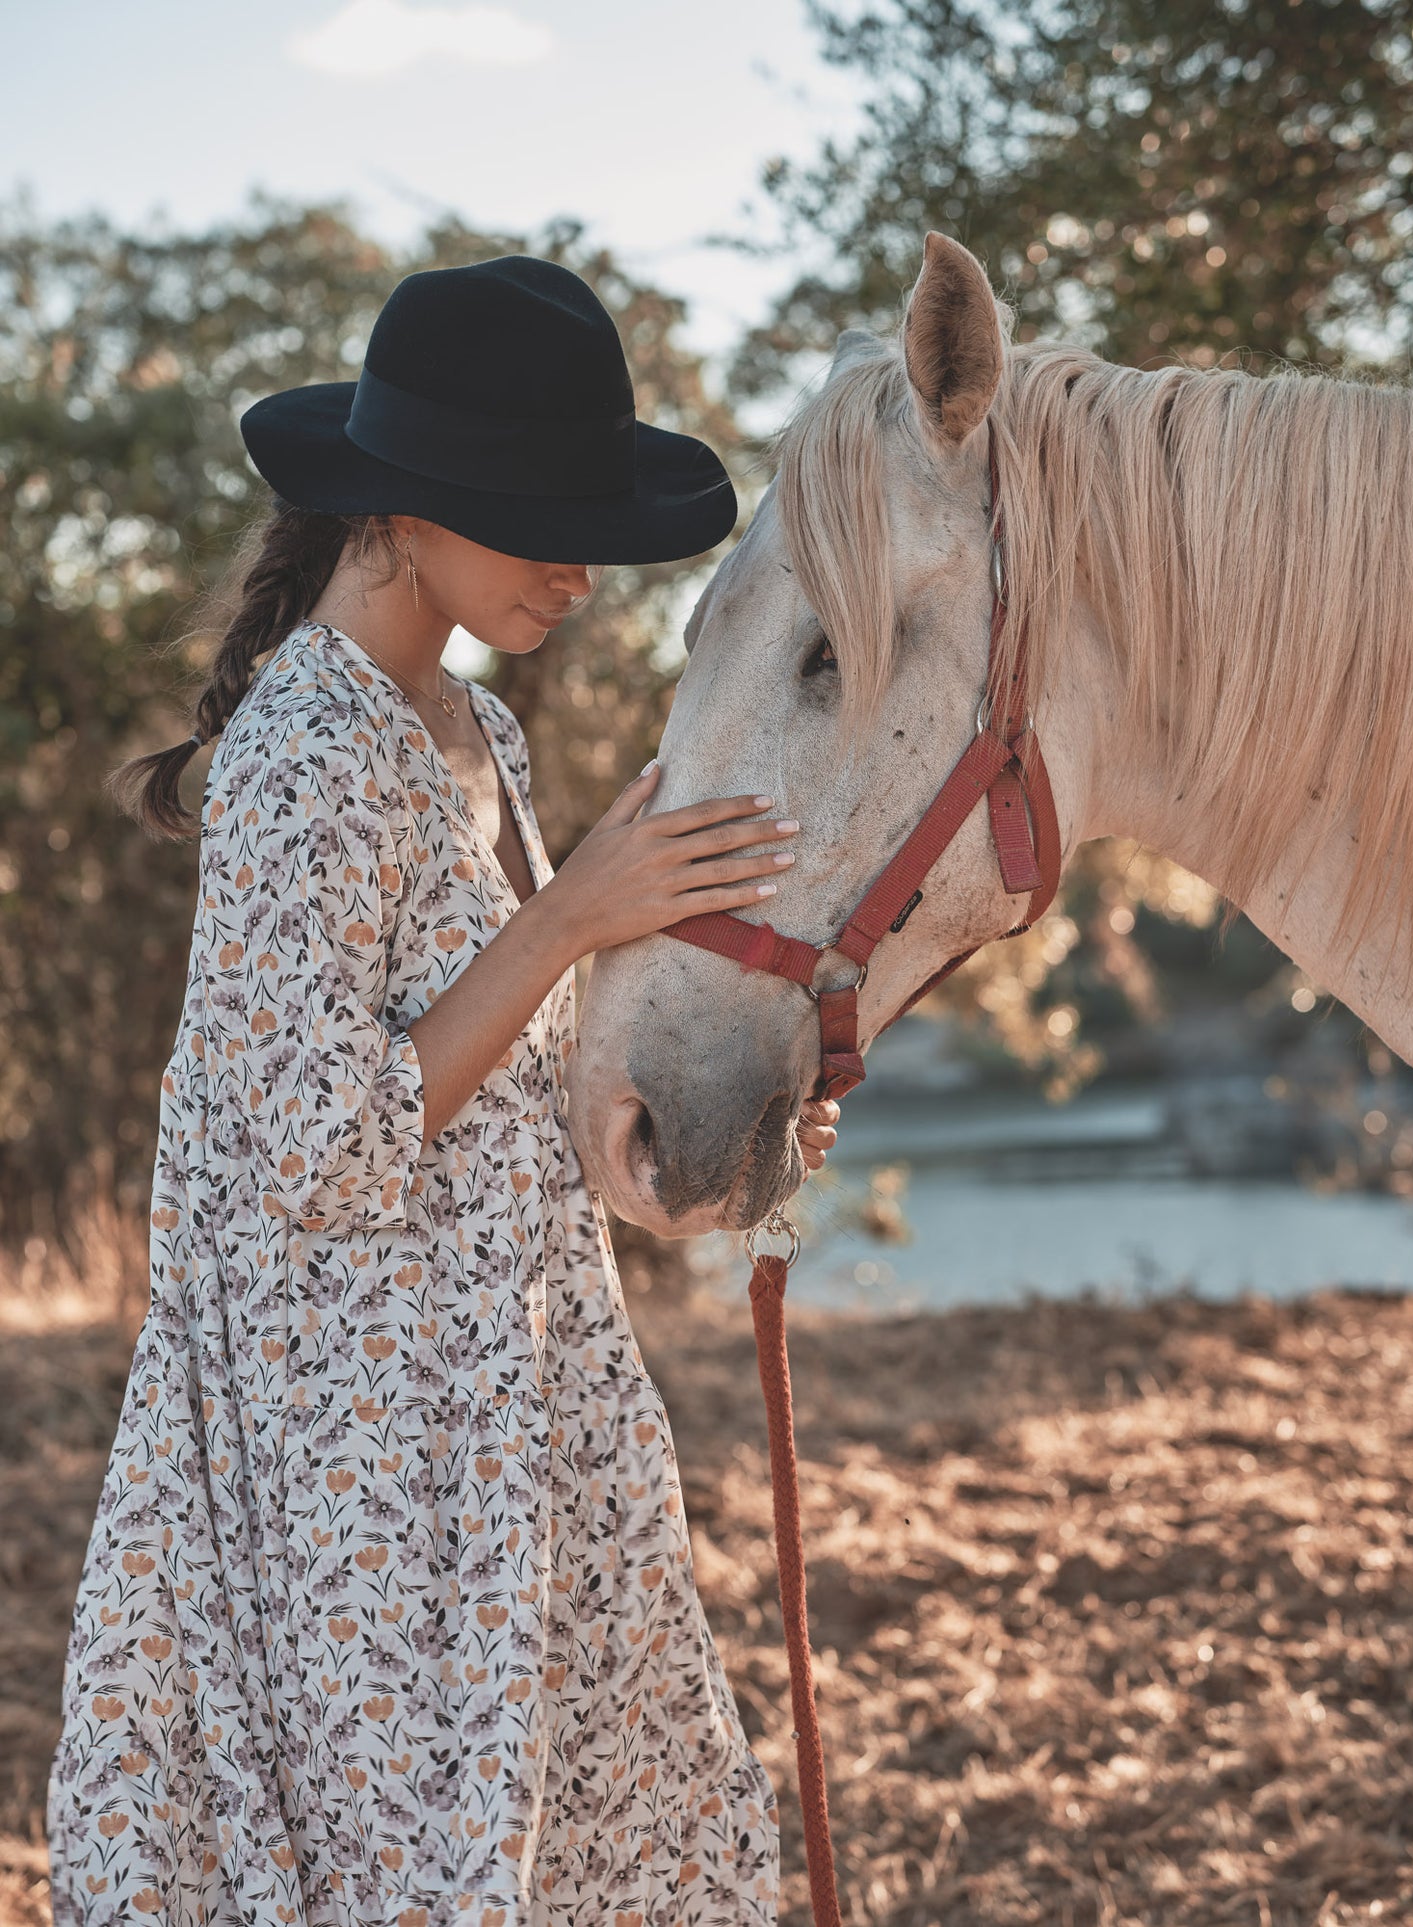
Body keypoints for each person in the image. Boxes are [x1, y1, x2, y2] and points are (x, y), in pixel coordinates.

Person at [47, 255, 840, 1927]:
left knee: (587, 1842)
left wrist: (724, 1127)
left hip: (511, 1395)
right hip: (360, 1445)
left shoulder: (473, 724)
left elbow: (493, 1114)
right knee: (415, 1860)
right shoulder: (300, 754)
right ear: (397, 509)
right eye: (535, 515)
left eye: (589, 524)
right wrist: (572, 915)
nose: (574, 564)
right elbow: (318, 1150)